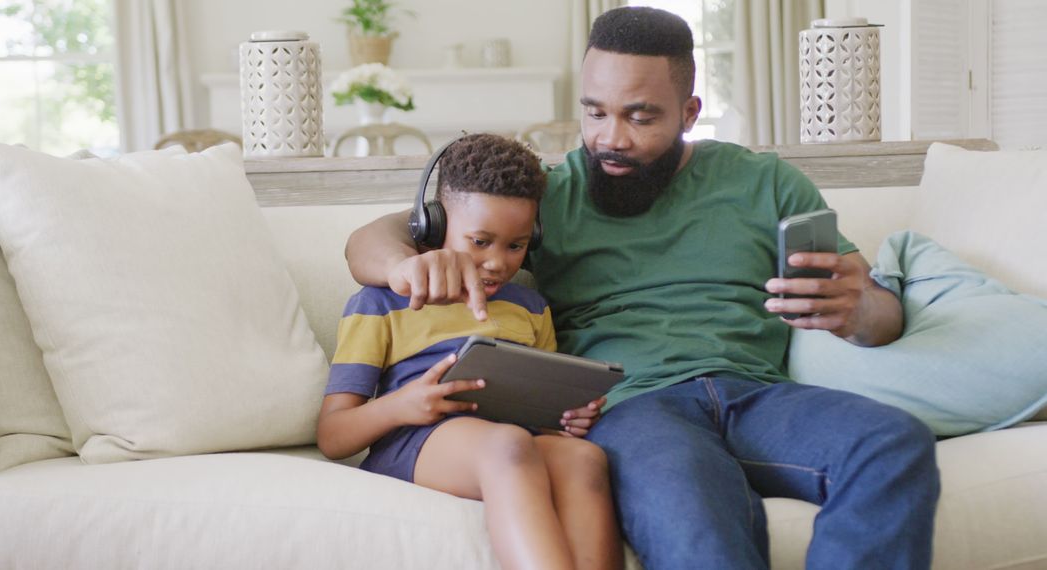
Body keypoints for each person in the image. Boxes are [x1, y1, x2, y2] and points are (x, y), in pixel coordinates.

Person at [344, 8, 941, 570]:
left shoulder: (767, 182)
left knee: (894, 441)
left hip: (756, 395)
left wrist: (857, 312)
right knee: (696, 511)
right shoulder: (549, 195)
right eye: (595, 112)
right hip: (633, 408)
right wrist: (404, 263)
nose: (611, 138)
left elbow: (880, 312)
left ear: (689, 111)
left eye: (640, 115)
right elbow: (375, 239)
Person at [317, 133, 623, 570]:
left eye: (515, 245)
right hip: (418, 442)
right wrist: (402, 406)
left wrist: (567, 420)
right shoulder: (380, 302)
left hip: (511, 438)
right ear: (435, 226)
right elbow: (333, 436)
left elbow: (545, 420)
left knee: (584, 457)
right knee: (508, 445)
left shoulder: (531, 308)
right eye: (480, 241)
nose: (498, 261)